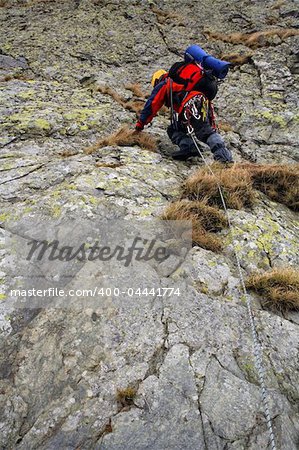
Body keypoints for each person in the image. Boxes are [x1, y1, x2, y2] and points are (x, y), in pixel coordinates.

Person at [135, 68, 233, 163]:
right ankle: (189, 147)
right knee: (174, 129)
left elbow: (151, 105)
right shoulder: (181, 82)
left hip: (191, 104)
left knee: (204, 132)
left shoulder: (166, 83)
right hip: (200, 103)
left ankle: (224, 157)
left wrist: (140, 126)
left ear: (157, 81)